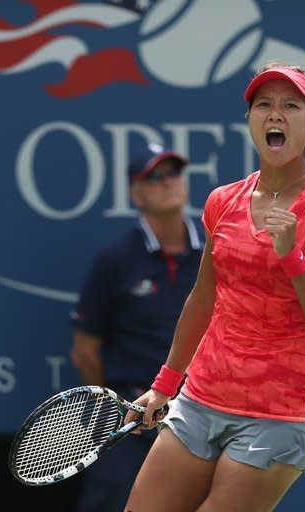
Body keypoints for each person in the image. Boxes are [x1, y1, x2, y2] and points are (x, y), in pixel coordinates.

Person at [124, 62, 305, 512]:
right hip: (201, 398)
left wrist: (292, 258)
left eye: (291, 106)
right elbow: (203, 298)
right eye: (264, 105)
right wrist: (164, 385)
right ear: (250, 119)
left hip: (279, 414)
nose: (276, 115)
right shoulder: (223, 201)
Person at [70, 143, 204, 512]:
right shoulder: (114, 261)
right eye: (154, 177)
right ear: (135, 193)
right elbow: (85, 349)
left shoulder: (214, 254)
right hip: (129, 421)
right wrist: (117, 411)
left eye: (174, 173)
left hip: (199, 418)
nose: (168, 183)